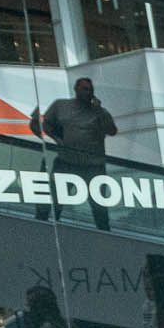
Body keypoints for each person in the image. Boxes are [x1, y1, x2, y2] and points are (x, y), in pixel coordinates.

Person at [31, 76, 119, 230]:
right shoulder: (61, 106)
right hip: (66, 162)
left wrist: (99, 111)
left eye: (91, 90)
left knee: (99, 208)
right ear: (76, 89)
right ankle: (44, 229)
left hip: (93, 166)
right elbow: (46, 125)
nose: (88, 92)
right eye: (85, 89)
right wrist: (57, 140)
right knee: (55, 201)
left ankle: (104, 235)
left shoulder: (99, 112)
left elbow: (112, 131)